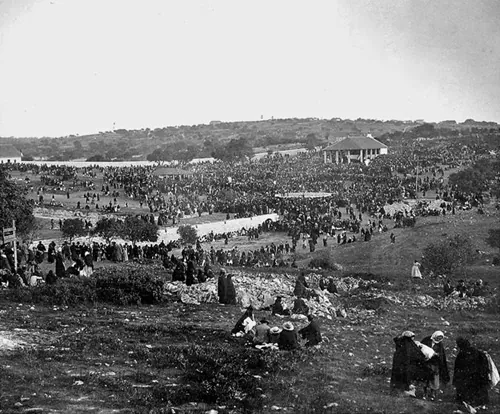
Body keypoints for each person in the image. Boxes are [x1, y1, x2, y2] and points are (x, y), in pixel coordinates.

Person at [453, 337, 490, 407]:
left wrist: (456, 380)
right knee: (479, 390)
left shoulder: (461, 355)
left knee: (468, 391)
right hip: (479, 376)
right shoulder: (478, 352)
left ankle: (467, 402)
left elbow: (458, 368)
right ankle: (481, 403)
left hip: (468, 378)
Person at [420, 331, 450, 401]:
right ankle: (425, 393)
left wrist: (437, 355)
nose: (438, 340)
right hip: (426, 363)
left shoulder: (440, 344)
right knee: (425, 378)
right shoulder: (426, 340)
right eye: (437, 338)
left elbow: (441, 355)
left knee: (434, 378)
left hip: (434, 364)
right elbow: (420, 348)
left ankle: (432, 393)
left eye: (440, 338)